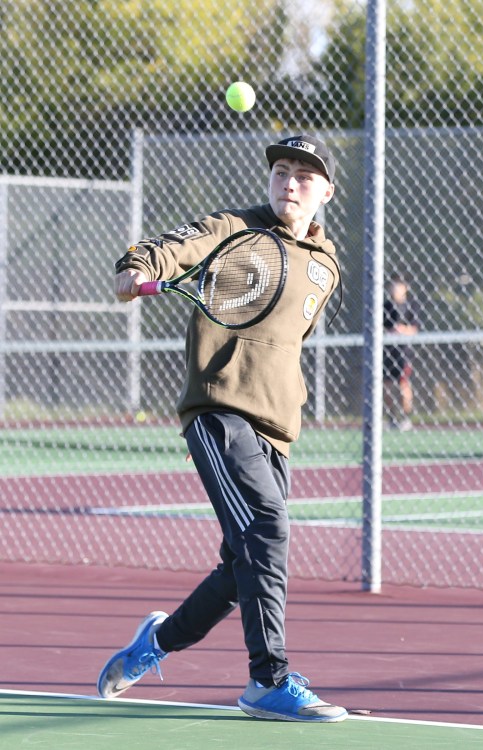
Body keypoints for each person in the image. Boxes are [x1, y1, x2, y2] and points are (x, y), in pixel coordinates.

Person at [97, 134, 347, 723]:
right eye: (281, 171)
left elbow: (287, 342)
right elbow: (166, 249)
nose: (289, 182)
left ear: (326, 192)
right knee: (267, 529)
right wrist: (135, 268)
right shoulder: (233, 228)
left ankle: (154, 643)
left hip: (276, 429)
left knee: (242, 566)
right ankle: (268, 680)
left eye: (304, 175)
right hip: (218, 411)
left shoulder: (326, 265)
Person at [383, 274, 421, 431]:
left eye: (398, 286)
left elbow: (414, 329)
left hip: (404, 354)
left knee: (403, 385)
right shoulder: (385, 306)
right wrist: (390, 332)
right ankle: (392, 419)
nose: (395, 289)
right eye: (392, 285)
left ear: (405, 288)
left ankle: (406, 418)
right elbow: (381, 327)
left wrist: (402, 330)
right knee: (386, 387)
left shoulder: (412, 306)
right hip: (387, 353)